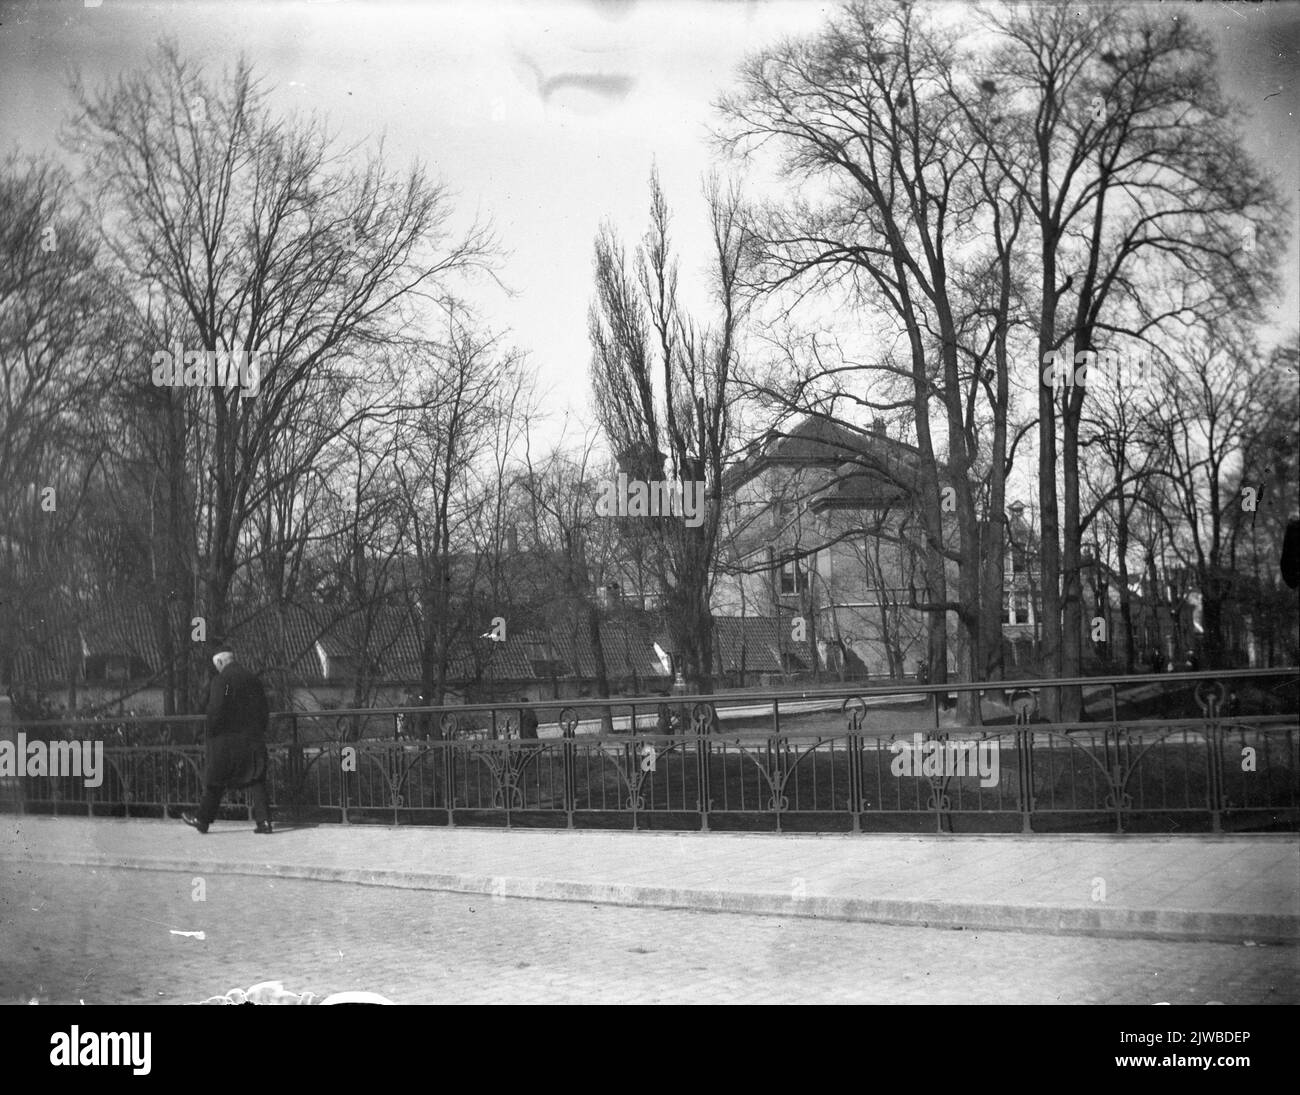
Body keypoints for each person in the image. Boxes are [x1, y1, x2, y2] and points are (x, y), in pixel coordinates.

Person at [183, 649, 273, 834]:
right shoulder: (253, 680)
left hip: (227, 741)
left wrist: (211, 733)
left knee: (215, 781)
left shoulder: (224, 681)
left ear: (220, 663)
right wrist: (260, 730)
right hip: (252, 739)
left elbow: (218, 707)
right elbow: (264, 709)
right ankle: (264, 822)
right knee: (256, 779)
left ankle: (202, 819)